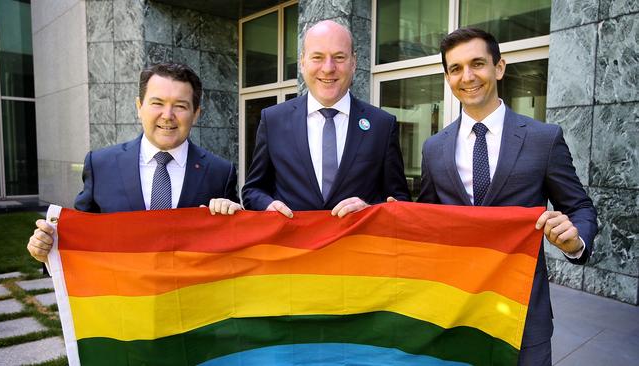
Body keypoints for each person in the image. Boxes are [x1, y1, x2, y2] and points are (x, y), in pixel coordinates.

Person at [416, 28, 597, 365]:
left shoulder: (544, 139)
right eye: (456, 68)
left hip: (524, 314)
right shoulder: (434, 148)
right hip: (455, 314)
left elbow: (580, 206)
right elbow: (430, 222)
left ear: (499, 68)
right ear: (447, 77)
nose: (467, 77)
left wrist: (576, 242)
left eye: (477, 64)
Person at [28, 62, 241, 263]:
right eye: (157, 103)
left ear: (196, 114)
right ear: (139, 107)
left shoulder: (220, 172)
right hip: (122, 297)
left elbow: (233, 248)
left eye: (180, 106)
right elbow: (81, 238)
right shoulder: (101, 165)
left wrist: (237, 220)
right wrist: (48, 251)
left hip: (191, 298)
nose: (167, 115)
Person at [242, 20, 410, 218]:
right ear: (303, 61)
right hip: (294, 245)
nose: (328, 68)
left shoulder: (382, 125)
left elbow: (400, 200)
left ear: (354, 62)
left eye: (339, 57)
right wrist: (268, 205)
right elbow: (252, 191)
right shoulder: (273, 120)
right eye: (317, 57)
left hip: (356, 246)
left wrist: (371, 209)